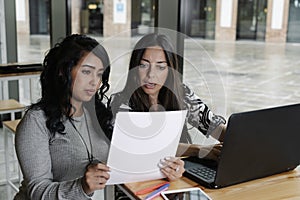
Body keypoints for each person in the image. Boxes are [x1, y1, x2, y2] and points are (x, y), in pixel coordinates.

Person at [14, 34, 184, 200]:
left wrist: (166, 170)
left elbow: (129, 163)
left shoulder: (99, 115)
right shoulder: (36, 121)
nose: (95, 82)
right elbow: (37, 192)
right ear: (62, 71)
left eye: (99, 74)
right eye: (87, 72)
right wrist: (82, 186)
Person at [109, 33, 226, 161]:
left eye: (160, 67)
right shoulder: (120, 102)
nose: (151, 75)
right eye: (144, 65)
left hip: (178, 173)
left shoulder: (183, 94)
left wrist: (239, 139)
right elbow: (145, 146)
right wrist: (198, 150)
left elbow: (214, 127)